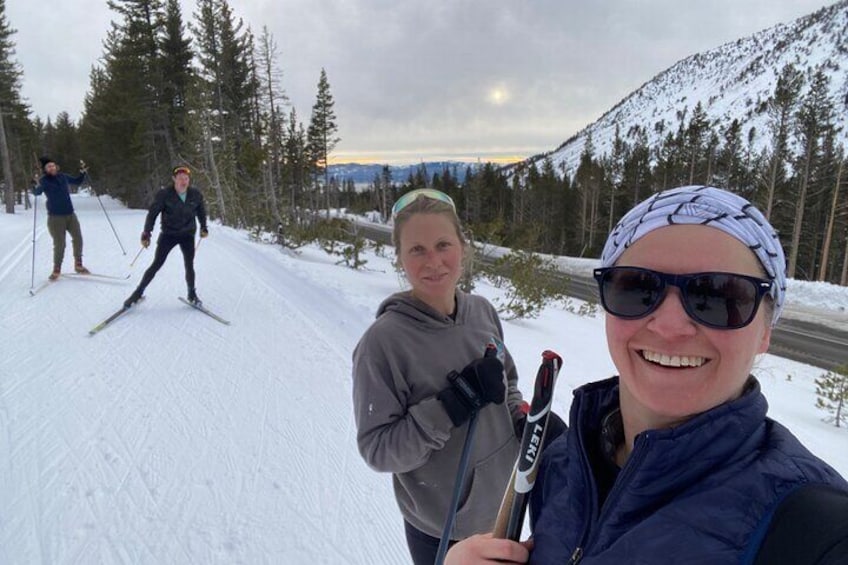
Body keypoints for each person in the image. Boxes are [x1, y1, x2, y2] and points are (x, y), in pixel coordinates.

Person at [446, 185, 848, 564]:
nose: (670, 326)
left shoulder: (818, 532)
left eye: (719, 296)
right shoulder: (563, 464)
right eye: (637, 287)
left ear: (765, 331)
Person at [352, 188, 527, 565]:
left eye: (443, 244)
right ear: (398, 256)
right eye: (417, 249)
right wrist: (452, 404)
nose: (434, 261)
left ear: (463, 247)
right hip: (441, 531)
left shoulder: (482, 312)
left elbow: (507, 383)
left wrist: (522, 420)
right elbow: (378, 450)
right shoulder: (383, 343)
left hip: (505, 508)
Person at [123, 165, 208, 308]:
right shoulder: (164, 195)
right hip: (169, 234)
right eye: (180, 178)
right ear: (174, 179)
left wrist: (204, 226)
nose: (184, 181)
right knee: (157, 264)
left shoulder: (195, 195)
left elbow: (201, 212)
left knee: (189, 265)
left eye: (186, 178)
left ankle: (192, 294)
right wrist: (146, 233)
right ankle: (137, 293)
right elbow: (153, 214)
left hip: (187, 234)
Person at [32, 156, 90, 279]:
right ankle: (56, 269)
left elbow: (77, 181)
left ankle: (78, 265)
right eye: (49, 166)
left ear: (56, 166)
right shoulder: (44, 181)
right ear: (45, 170)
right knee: (60, 244)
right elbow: (37, 193)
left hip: (70, 214)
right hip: (55, 218)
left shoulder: (63, 176)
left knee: (78, 238)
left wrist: (82, 173)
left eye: (53, 165)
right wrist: (35, 185)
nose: (52, 168)